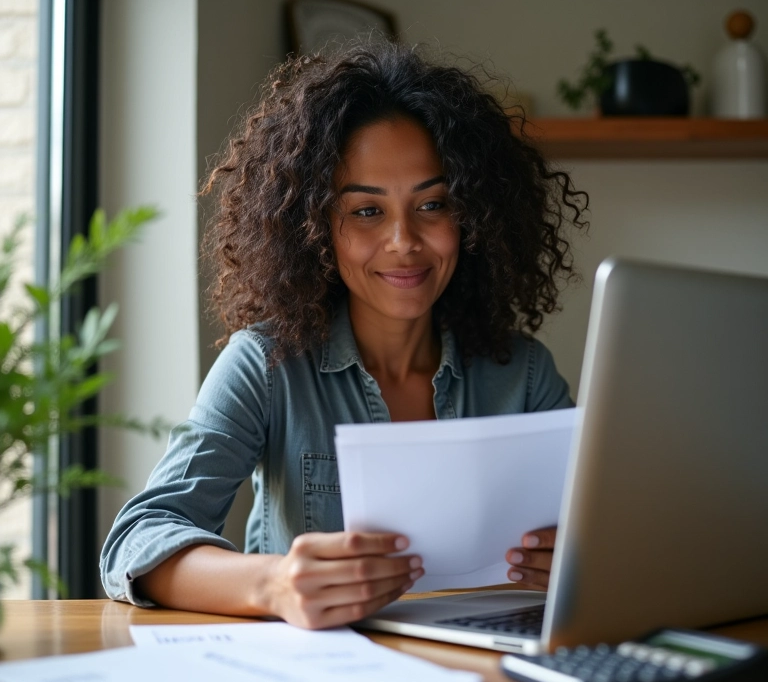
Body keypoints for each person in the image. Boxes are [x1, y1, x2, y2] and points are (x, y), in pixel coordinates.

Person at [100, 39, 588, 629]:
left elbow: (602, 536)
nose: (404, 242)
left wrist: (580, 558)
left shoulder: (525, 374)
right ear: (314, 226)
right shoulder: (266, 365)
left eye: (433, 204)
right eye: (366, 211)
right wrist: (275, 584)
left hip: (492, 672)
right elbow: (137, 540)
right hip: (323, 675)